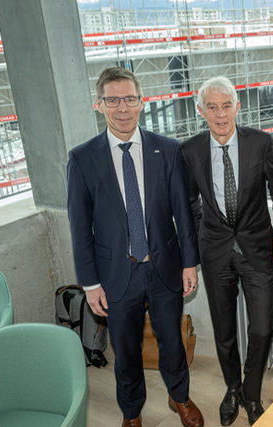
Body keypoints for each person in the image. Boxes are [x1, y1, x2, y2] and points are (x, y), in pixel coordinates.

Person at [67, 67, 204, 427]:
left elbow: (182, 213)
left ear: (142, 103)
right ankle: (132, 413)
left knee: (171, 341)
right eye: (113, 100)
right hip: (115, 275)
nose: (122, 108)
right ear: (100, 105)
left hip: (164, 268)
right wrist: (90, 283)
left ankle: (179, 397)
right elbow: (80, 227)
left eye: (129, 99)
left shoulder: (168, 149)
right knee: (125, 352)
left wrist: (190, 262)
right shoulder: (82, 159)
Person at [181, 76, 273, 426]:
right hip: (216, 254)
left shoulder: (260, 142)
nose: (220, 113)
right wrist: (204, 233)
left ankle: (252, 393)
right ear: (201, 111)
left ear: (237, 107)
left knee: (261, 330)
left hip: (257, 249)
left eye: (226, 105)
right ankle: (232, 388)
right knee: (225, 332)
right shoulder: (190, 150)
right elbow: (187, 201)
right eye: (211, 107)